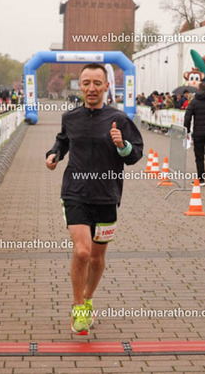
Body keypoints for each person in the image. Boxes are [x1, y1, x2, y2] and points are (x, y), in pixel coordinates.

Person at [45, 63, 143, 335]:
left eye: (97, 83)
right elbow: (63, 141)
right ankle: (78, 306)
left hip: (106, 195)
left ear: (106, 86)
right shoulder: (70, 117)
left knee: (97, 258)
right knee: (82, 251)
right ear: (80, 86)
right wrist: (54, 154)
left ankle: (88, 299)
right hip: (75, 193)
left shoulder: (119, 119)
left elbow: (135, 155)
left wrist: (122, 145)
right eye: (86, 83)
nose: (91, 88)